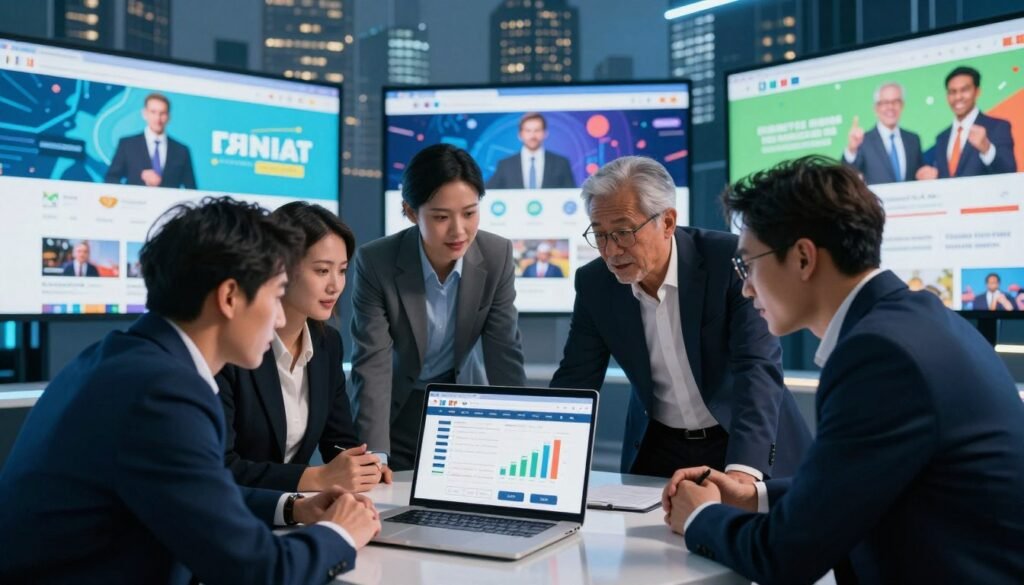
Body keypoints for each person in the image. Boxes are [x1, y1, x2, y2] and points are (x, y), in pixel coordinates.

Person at [664, 156, 1024, 584]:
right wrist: (751, 496)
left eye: (748, 264)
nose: (744, 286)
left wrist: (701, 516)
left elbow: (785, 556)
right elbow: (849, 484)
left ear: (802, 258)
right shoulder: (917, 320)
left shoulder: (880, 355)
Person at [0, 197, 381, 584]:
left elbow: (198, 494)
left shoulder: (124, 358)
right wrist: (341, 533)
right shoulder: (162, 394)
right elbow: (260, 571)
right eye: (276, 293)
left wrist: (295, 508)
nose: (281, 317)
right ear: (229, 297)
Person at [550, 156, 811, 480]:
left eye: (623, 232)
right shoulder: (595, 283)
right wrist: (544, 461)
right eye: (600, 235)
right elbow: (576, 380)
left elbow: (756, 369)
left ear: (668, 222)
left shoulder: (729, 262)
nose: (611, 251)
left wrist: (742, 476)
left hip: (741, 439)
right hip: (659, 446)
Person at [351, 144, 526, 470]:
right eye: (442, 217)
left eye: (470, 213)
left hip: (466, 408)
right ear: (410, 211)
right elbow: (371, 363)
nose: (459, 230)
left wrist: (517, 435)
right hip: (397, 409)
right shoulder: (377, 262)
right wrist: (374, 456)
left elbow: (505, 355)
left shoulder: (497, 255)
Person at [217, 202, 392, 493]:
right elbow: (222, 465)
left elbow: (338, 441)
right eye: (322, 271)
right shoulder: (234, 346)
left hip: (298, 511)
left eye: (342, 270)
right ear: (279, 269)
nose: (336, 285)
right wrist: (317, 478)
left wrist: (362, 467)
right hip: (238, 512)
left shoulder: (327, 344)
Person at [916, 66, 1016, 179]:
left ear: (977, 91)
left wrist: (987, 148)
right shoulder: (942, 137)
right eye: (952, 92)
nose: (958, 97)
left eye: (965, 90)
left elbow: (1010, 171)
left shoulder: (997, 127)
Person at [105, 92, 198, 189]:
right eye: (153, 112)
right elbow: (111, 178)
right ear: (145, 114)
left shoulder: (181, 151)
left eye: (162, 113)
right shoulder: (127, 144)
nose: (158, 118)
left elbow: (191, 187)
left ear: (168, 117)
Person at [841, 82, 924, 184]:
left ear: (902, 105)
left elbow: (919, 175)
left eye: (896, 101)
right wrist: (852, 149)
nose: (891, 107)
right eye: (885, 102)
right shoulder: (863, 141)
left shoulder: (913, 140)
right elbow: (848, 175)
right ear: (876, 108)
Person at [487, 112, 576, 189]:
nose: (532, 136)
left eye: (537, 130)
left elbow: (571, 197)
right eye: (528, 131)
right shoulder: (505, 165)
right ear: (520, 134)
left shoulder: (561, 163)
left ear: (545, 133)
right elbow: (489, 193)